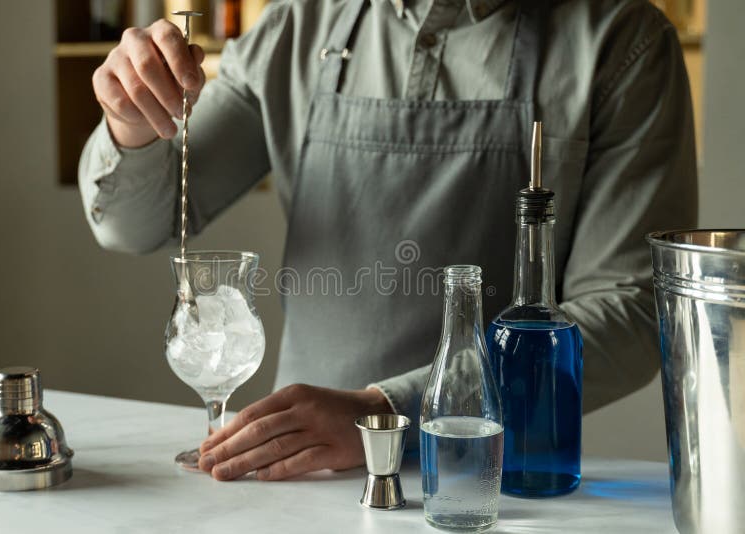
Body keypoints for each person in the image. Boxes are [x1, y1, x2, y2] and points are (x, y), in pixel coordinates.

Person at [79, 0, 697, 481]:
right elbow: (135, 223)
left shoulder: (621, 41)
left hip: (494, 484)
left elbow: (633, 311)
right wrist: (131, 122)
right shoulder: (297, 26)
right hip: (298, 476)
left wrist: (390, 412)